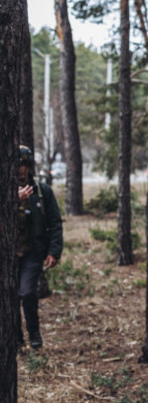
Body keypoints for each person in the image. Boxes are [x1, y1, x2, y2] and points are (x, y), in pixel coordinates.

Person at [17, 145, 63, 348]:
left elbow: (55, 221)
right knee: (8, 299)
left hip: (32, 252)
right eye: (18, 165)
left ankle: (34, 334)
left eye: (25, 165)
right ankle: (15, 339)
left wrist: (54, 251)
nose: (21, 169)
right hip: (8, 255)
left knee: (27, 292)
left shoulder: (41, 191)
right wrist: (15, 200)